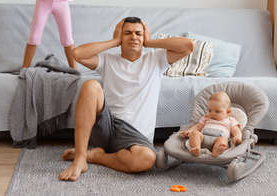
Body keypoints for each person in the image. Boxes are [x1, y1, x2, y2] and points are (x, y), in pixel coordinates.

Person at [59, 17, 194, 181]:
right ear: (121, 36)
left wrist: (149, 42)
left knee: (147, 159)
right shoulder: (107, 60)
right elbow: (76, 54)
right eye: (128, 33)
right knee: (90, 86)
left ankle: (95, 156)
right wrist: (114, 41)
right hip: (107, 125)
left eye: (138, 33)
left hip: (135, 135)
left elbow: (188, 46)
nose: (134, 37)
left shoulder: (156, 59)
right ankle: (80, 157)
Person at [179, 91, 242, 157]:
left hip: (218, 139)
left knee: (223, 141)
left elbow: (236, 130)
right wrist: (190, 131)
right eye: (209, 110)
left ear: (228, 112)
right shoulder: (206, 118)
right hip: (203, 139)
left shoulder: (230, 120)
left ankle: (217, 151)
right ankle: (196, 148)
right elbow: (198, 126)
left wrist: (238, 137)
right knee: (195, 133)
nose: (212, 113)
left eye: (217, 111)